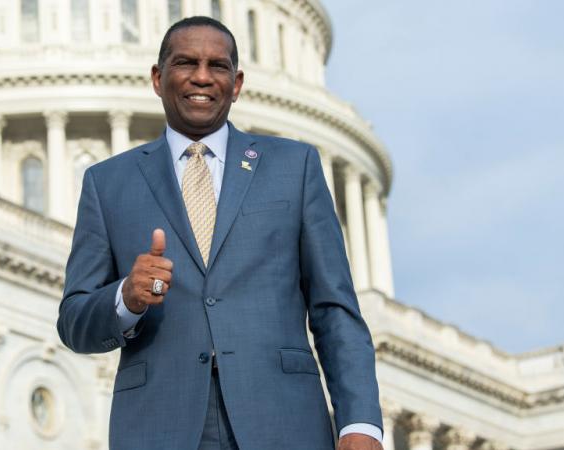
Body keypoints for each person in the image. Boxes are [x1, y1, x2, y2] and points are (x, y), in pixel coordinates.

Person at [57, 16, 383, 450]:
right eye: (186, 63)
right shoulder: (108, 183)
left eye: (218, 66)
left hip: (283, 421)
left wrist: (359, 424)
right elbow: (74, 321)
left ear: (237, 82)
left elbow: (334, 307)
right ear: (157, 78)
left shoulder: (294, 167)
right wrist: (125, 300)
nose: (202, 77)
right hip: (160, 426)